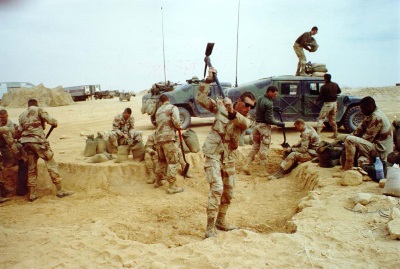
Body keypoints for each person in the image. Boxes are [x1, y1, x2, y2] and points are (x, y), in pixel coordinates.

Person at [197, 67, 255, 238]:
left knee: (228, 192)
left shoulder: (246, 118)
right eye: (246, 105)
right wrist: (208, 80)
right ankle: (209, 228)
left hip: (228, 156)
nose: (248, 109)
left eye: (252, 107)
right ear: (239, 101)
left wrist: (231, 111)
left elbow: (243, 123)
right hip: (214, 152)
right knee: (217, 188)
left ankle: (221, 221)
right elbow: (200, 98)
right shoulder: (220, 107)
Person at [16, 99, 73, 202]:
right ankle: (60, 190)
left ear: (28, 105)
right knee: (51, 163)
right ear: (36, 104)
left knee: (31, 168)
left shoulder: (22, 115)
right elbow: (52, 121)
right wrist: (54, 123)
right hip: (39, 142)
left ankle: (32, 194)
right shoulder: (39, 109)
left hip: (27, 143)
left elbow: (18, 132)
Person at [243, 85, 284, 175]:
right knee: (264, 148)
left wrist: (274, 108)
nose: (275, 96)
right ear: (269, 92)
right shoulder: (269, 103)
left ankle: (246, 165)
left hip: (256, 125)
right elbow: (269, 119)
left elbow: (262, 108)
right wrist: (278, 123)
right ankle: (262, 171)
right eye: (274, 94)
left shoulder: (260, 98)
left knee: (255, 147)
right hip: (264, 128)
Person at [343, 96, 393, 170]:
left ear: (370, 107)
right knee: (345, 138)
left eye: (363, 109)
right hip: (374, 146)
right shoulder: (371, 114)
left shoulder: (377, 117)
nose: (361, 111)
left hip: (380, 151)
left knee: (350, 140)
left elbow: (366, 139)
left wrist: (348, 142)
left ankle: (348, 168)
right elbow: (358, 131)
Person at [153, 94, 184, 194]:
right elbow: (176, 122)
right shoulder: (172, 108)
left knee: (161, 161)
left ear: (161, 102)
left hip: (158, 139)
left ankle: (158, 181)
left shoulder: (158, 111)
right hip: (168, 139)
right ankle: (171, 186)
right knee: (173, 162)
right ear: (168, 100)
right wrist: (179, 126)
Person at [0, 109, 20, 203]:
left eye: (4, 117)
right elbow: (11, 143)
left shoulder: (10, 124)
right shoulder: (4, 128)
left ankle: (3, 190)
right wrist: (17, 154)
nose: (3, 119)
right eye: (1, 118)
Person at [315, 73, 342, 138]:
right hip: (334, 104)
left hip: (327, 104)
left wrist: (316, 100)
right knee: (332, 119)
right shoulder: (335, 84)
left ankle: (317, 135)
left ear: (325, 78)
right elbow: (339, 91)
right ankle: (335, 133)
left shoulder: (324, 87)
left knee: (321, 118)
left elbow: (321, 96)